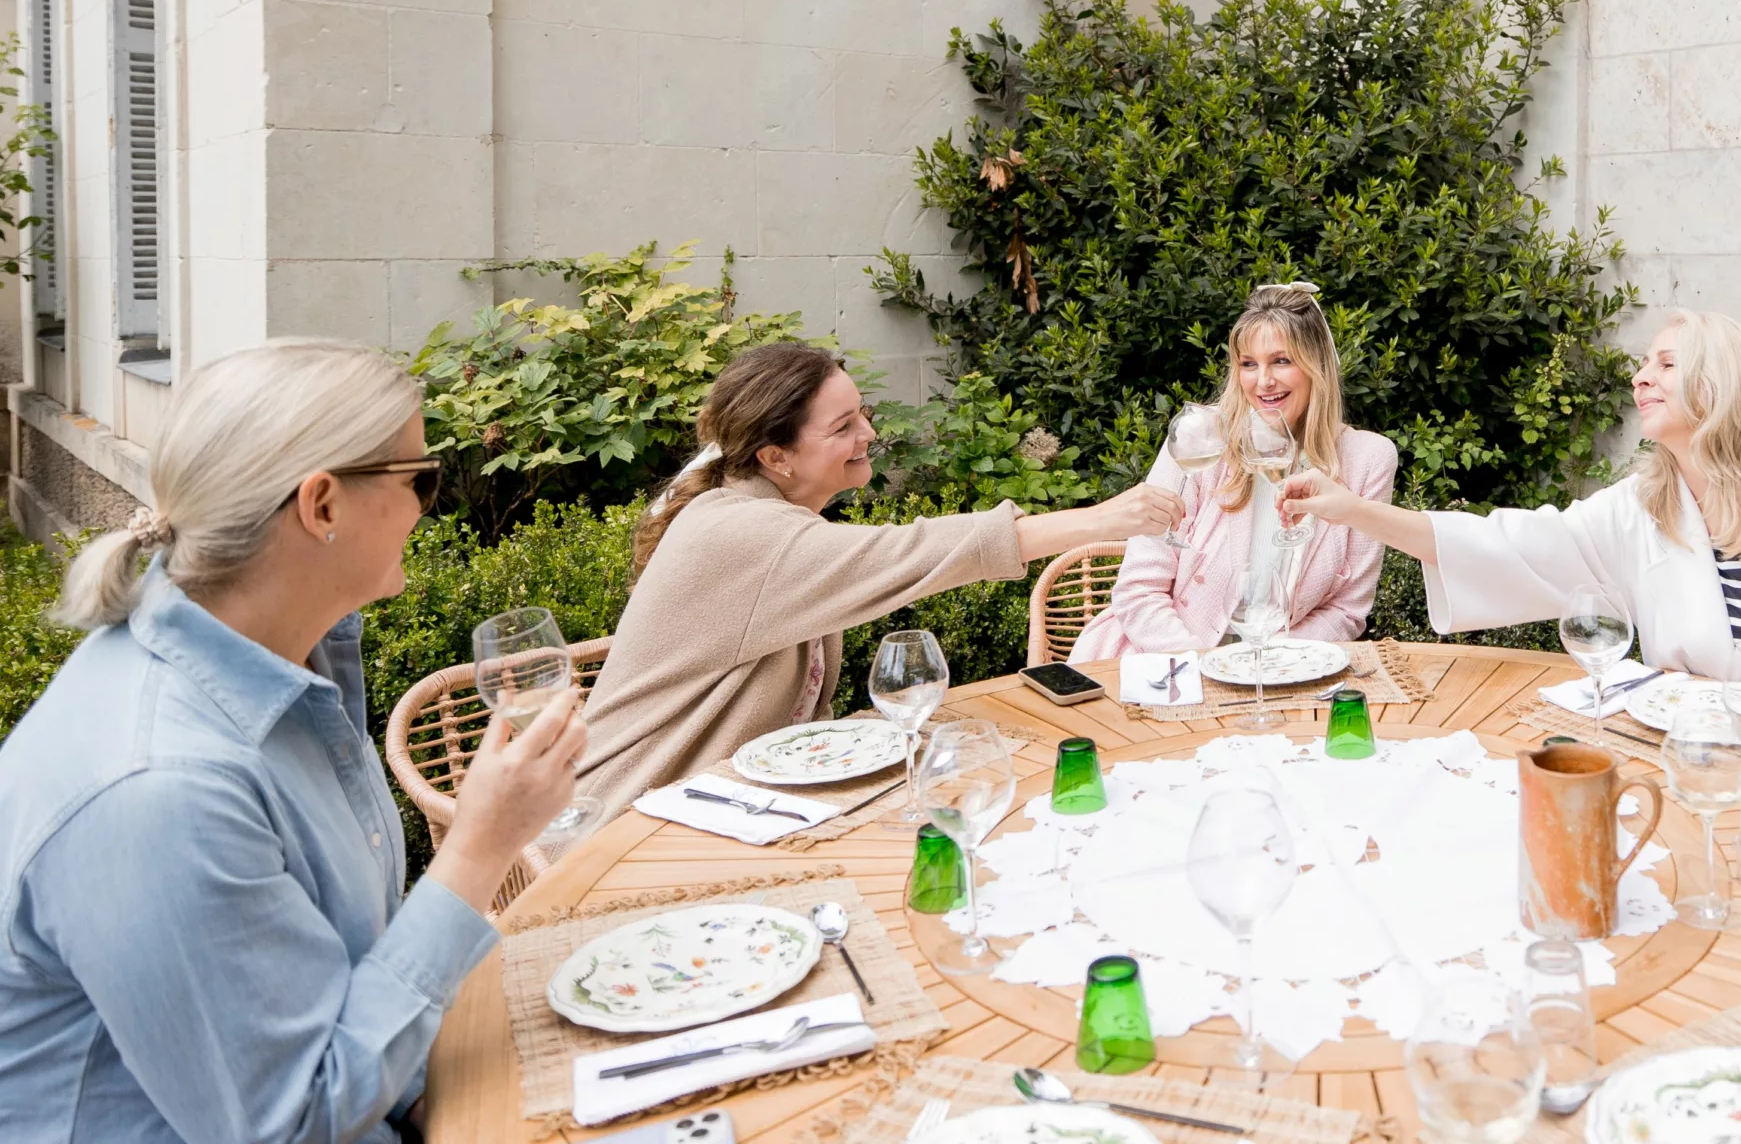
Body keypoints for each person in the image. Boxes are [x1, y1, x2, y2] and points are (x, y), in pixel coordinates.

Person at [0, 339, 588, 1143]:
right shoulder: (157, 789)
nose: (428, 504)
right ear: (322, 505)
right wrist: (481, 843)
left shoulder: (279, 659)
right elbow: (293, 1120)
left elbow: (341, 972)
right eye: (419, 479)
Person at [1281, 308, 1741, 749]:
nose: (1641, 378)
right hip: (1702, 762)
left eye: (1666, 363)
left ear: (1722, 385)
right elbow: (1510, 547)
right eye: (1644, 363)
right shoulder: (1645, 506)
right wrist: (1355, 510)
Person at [577, 342, 1179, 818]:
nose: (868, 433)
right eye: (842, 427)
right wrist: (1098, 520)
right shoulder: (741, 534)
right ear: (775, 457)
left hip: (740, 803)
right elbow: (910, 554)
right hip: (630, 823)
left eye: (861, 412)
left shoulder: (761, 516)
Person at [1071, 282, 1398, 662]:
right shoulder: (1202, 439)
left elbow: (1347, 610)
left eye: (1282, 360)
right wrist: (1205, 664)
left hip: (1284, 670)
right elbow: (1139, 590)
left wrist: (1269, 665)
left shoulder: (1368, 460)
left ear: (1317, 367)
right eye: (1248, 364)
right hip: (1165, 660)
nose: (1263, 381)